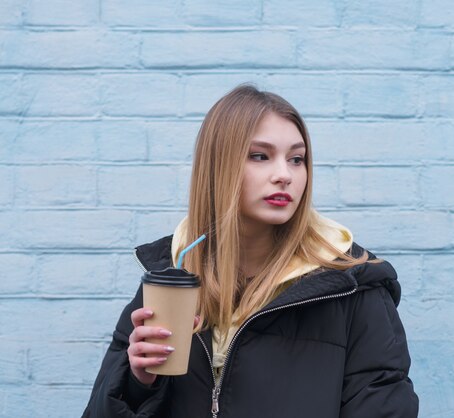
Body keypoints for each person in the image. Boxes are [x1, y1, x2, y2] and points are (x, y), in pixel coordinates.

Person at [83, 84, 419, 417]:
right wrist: (139, 383)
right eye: (260, 156)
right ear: (218, 167)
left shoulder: (354, 287)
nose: (284, 175)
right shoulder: (169, 281)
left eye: (296, 159)